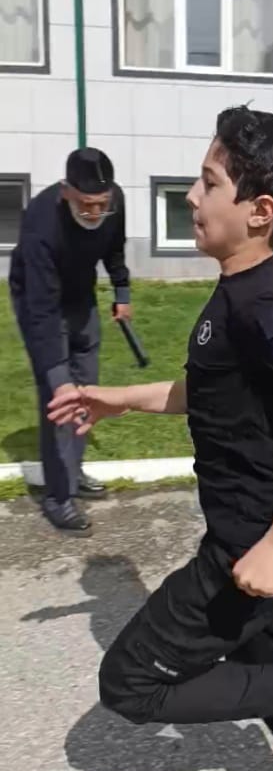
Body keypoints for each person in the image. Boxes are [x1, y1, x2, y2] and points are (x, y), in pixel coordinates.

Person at [48, 107, 273, 771]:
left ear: (260, 212)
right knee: (258, 668)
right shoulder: (238, 293)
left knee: (130, 684)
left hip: (248, 541)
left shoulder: (264, 309)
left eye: (209, 182)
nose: (192, 196)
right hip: (257, 532)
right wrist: (119, 400)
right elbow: (210, 388)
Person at [9, 147, 131, 533]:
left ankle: (72, 472)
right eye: (86, 205)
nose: (95, 214)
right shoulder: (40, 223)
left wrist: (122, 291)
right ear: (66, 192)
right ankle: (58, 497)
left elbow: (114, 248)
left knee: (87, 391)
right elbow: (41, 311)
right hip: (40, 300)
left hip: (81, 295)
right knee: (60, 398)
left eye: (101, 205)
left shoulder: (115, 201)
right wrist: (58, 377)